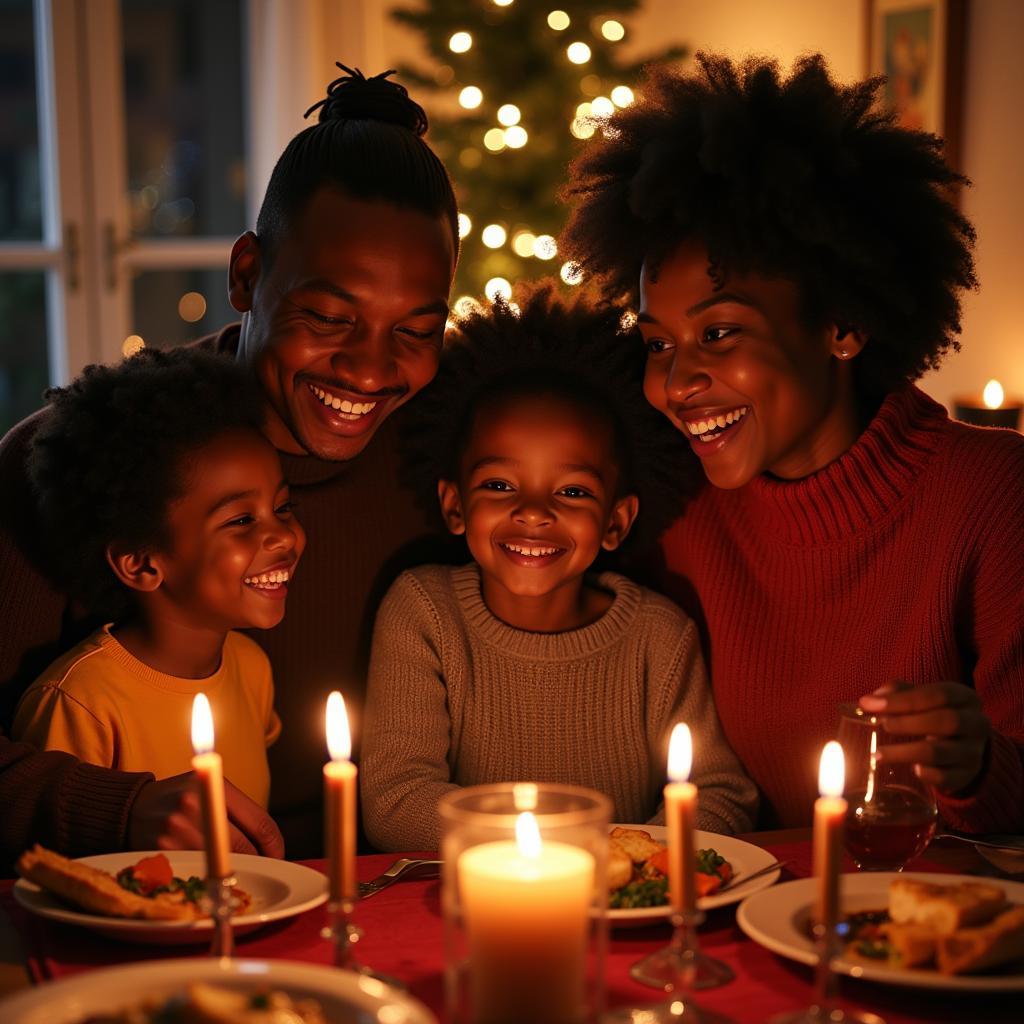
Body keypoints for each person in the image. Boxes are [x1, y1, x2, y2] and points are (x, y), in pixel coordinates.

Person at [0, 64, 460, 863]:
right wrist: (115, 810)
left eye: (415, 331)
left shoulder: (457, 453)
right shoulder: (87, 464)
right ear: (247, 274)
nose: (369, 369)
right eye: (328, 316)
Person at [560, 53, 1024, 832]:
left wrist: (976, 763)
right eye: (658, 343)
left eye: (718, 332)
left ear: (842, 324)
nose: (677, 383)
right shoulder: (671, 505)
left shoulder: (992, 495)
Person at [360, 283, 757, 851]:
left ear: (616, 522)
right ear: (454, 505)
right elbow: (396, 800)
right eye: (500, 485)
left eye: (572, 491)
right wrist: (558, 849)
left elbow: (720, 796)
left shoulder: (660, 639)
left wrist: (621, 857)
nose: (533, 512)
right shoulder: (424, 611)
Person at [12, 348, 303, 809]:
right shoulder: (80, 704)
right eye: (241, 520)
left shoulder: (252, 670)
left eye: (283, 507)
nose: (284, 537)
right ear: (142, 564)